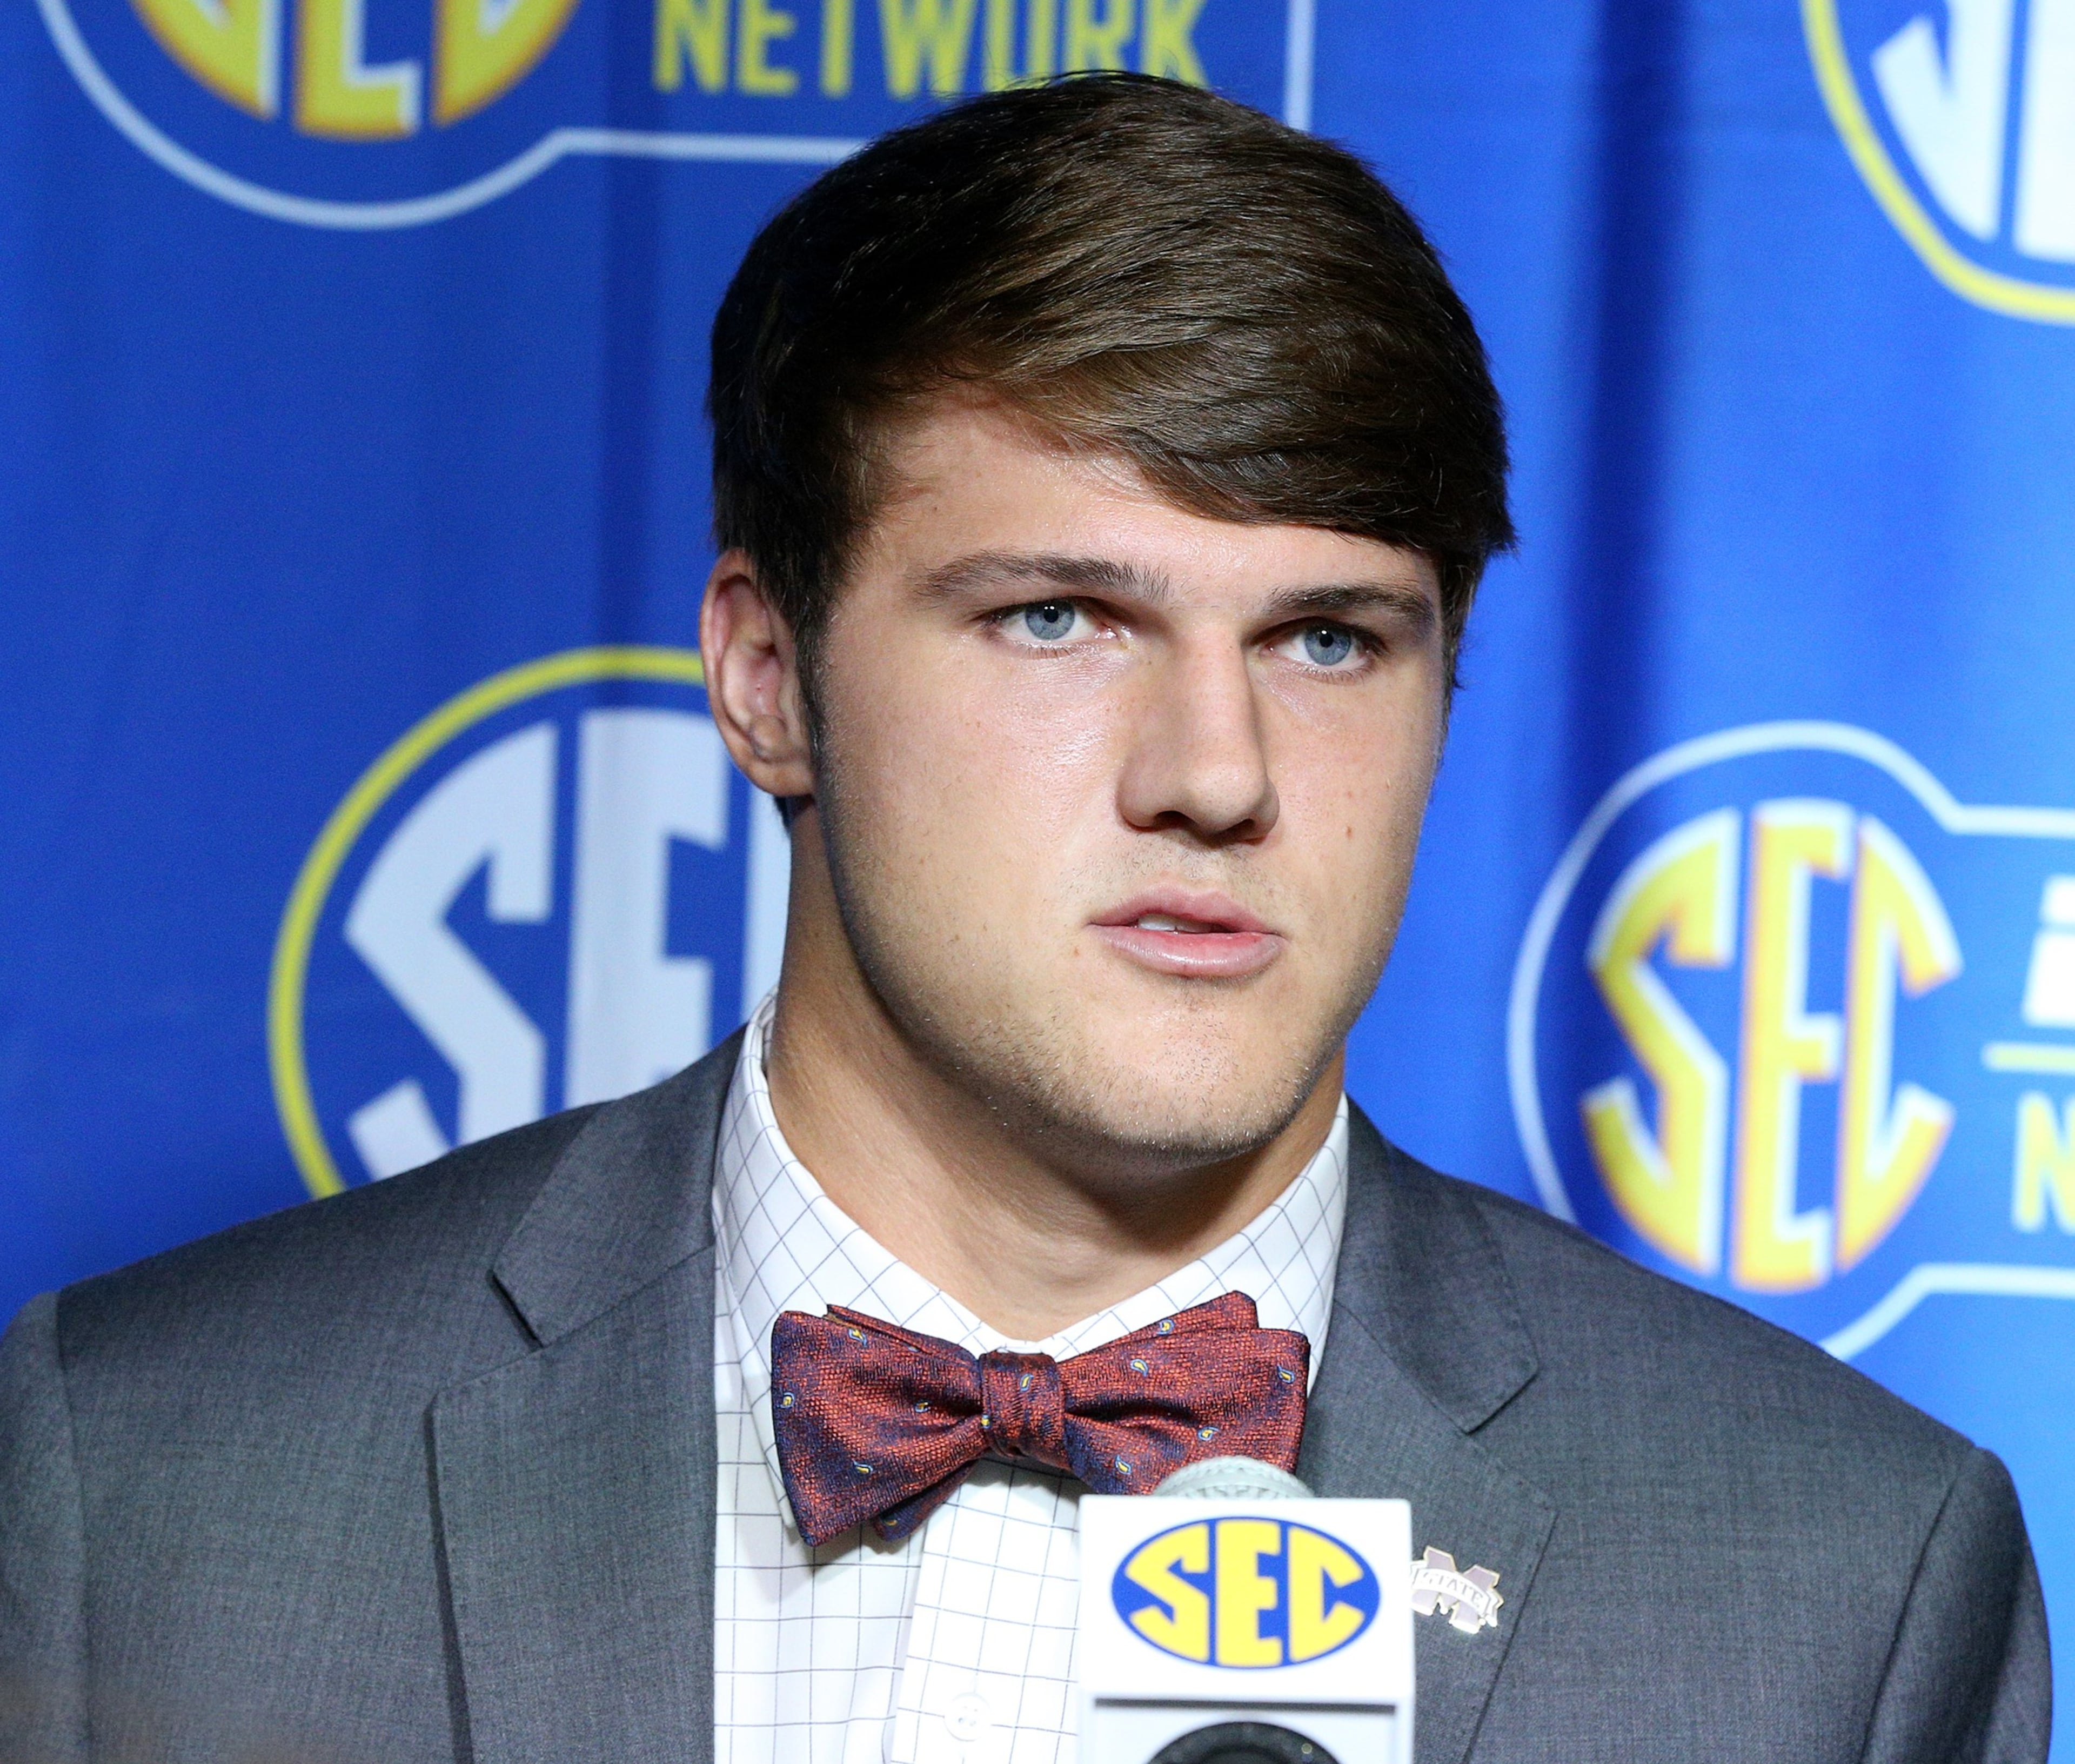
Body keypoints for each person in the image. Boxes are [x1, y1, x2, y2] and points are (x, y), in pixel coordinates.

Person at [0, 72, 2049, 1764]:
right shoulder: (156, 1483)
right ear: (766, 677)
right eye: (1059, 617)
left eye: (1331, 641)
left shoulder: (1841, 1588)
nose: (1218, 772)